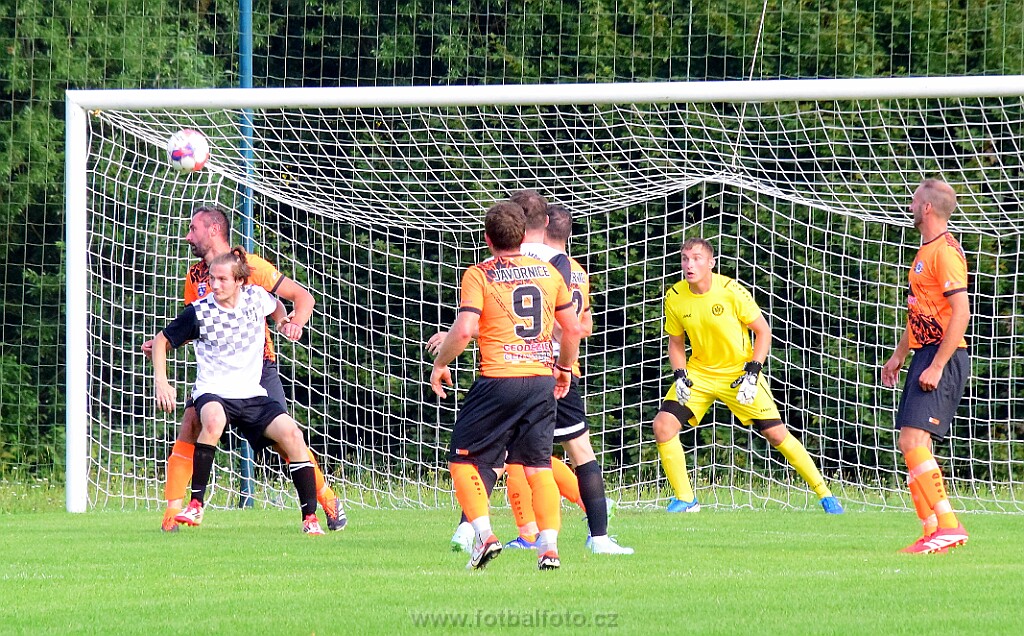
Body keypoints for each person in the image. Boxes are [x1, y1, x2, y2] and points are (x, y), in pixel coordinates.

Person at [143, 205, 345, 532]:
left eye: (193, 229)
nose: (188, 236)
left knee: (285, 440)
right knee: (192, 423)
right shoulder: (195, 277)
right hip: (218, 373)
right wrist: (165, 342)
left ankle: (325, 499)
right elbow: (196, 323)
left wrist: (289, 322)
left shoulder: (251, 267)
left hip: (258, 368)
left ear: (213, 230)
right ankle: (173, 514)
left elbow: (298, 298)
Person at [430, 200, 584, 570]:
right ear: (524, 234)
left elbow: (464, 330)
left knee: (462, 459)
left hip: (499, 379)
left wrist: (440, 364)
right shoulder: (549, 272)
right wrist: (564, 367)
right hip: (540, 381)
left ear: (487, 239)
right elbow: (572, 329)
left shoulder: (479, 274)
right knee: (537, 467)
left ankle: (484, 536)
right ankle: (548, 548)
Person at [652, 237, 844, 515]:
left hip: (739, 373)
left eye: (696, 258)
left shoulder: (731, 290)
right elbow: (676, 342)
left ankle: (826, 495)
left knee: (776, 433)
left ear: (711, 263)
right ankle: (686, 499)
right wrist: (680, 375)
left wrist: (752, 373)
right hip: (700, 374)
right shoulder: (675, 296)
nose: (689, 264)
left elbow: (763, 331)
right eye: (685, 258)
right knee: (663, 425)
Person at [881, 179, 970, 554]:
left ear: (928, 208)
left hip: (942, 357)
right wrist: (899, 355)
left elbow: (961, 313)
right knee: (913, 443)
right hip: (924, 353)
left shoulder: (945, 252)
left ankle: (948, 525)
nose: (910, 206)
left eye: (914, 201)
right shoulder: (926, 250)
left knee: (912, 441)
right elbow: (921, 312)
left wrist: (937, 364)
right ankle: (933, 531)